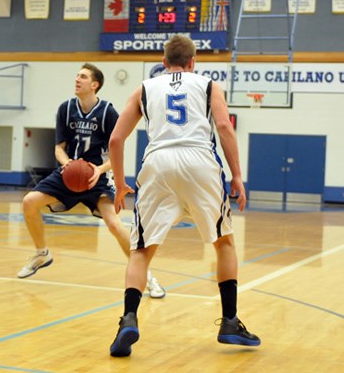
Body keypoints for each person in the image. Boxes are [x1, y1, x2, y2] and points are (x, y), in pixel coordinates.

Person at [108, 35, 260, 357]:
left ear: (163, 63)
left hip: (157, 163)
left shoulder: (145, 89)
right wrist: (237, 176)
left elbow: (116, 140)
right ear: (193, 62)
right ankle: (229, 321)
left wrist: (120, 184)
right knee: (224, 242)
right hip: (199, 161)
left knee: (140, 250)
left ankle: (129, 319)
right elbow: (223, 126)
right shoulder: (208, 85)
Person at [16, 63, 165, 299]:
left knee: (115, 225)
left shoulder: (107, 112)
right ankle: (41, 253)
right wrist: (66, 163)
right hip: (69, 173)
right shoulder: (65, 109)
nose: (77, 79)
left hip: (97, 176)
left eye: (83, 77)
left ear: (94, 85)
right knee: (29, 202)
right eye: (76, 75)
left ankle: (147, 277)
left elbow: (117, 148)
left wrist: (102, 169)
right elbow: (58, 148)